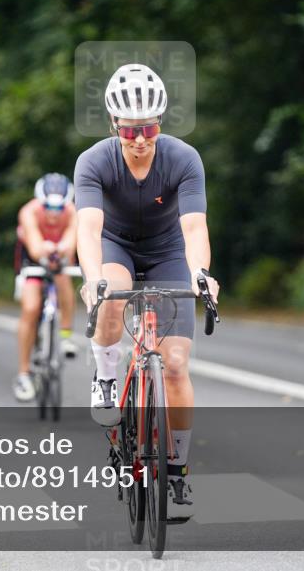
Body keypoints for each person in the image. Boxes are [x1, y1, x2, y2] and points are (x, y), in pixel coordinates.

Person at [74, 63, 220, 520]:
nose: (140, 138)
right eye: (131, 129)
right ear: (114, 124)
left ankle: (176, 469)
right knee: (112, 292)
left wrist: (200, 274)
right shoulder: (94, 161)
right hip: (115, 247)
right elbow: (88, 228)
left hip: (167, 252)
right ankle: (104, 374)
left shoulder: (183, 158)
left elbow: (194, 226)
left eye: (150, 127)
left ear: (162, 123)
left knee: (175, 364)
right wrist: (92, 279)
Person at [12, 173, 79, 402]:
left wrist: (61, 250)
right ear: (40, 202)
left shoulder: (73, 213)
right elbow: (33, 245)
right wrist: (45, 248)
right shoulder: (28, 211)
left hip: (59, 258)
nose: (53, 213)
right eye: (48, 207)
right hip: (32, 261)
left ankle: (66, 334)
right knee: (30, 309)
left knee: (63, 280)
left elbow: (71, 242)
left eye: (58, 208)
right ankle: (23, 373)